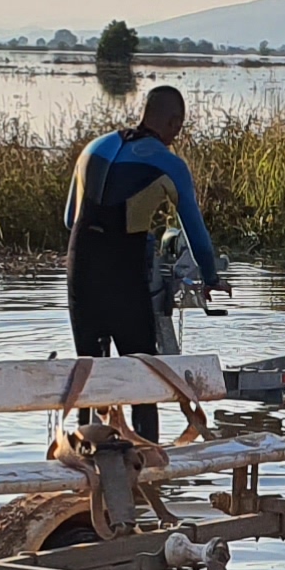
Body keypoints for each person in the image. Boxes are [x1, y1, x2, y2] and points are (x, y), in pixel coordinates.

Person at [64, 84, 222, 440]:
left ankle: (87, 459)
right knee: (142, 375)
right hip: (122, 272)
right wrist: (211, 277)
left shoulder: (94, 148)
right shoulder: (168, 163)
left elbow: (69, 219)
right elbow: (196, 233)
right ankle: (147, 463)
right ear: (174, 122)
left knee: (88, 374)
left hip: (81, 266)